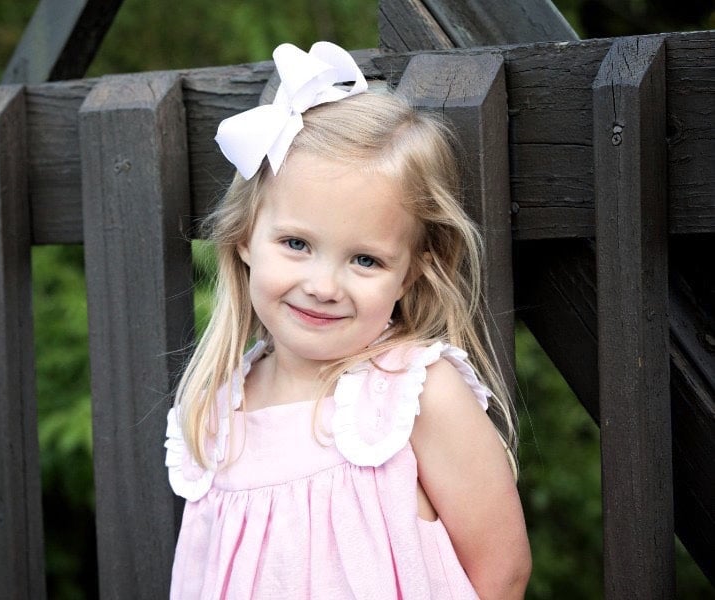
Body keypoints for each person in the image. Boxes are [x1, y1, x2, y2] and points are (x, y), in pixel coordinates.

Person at [165, 41, 531, 599]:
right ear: (243, 239)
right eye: (296, 243)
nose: (323, 286)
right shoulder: (214, 414)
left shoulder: (414, 394)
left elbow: (501, 574)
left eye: (365, 260)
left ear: (410, 274)